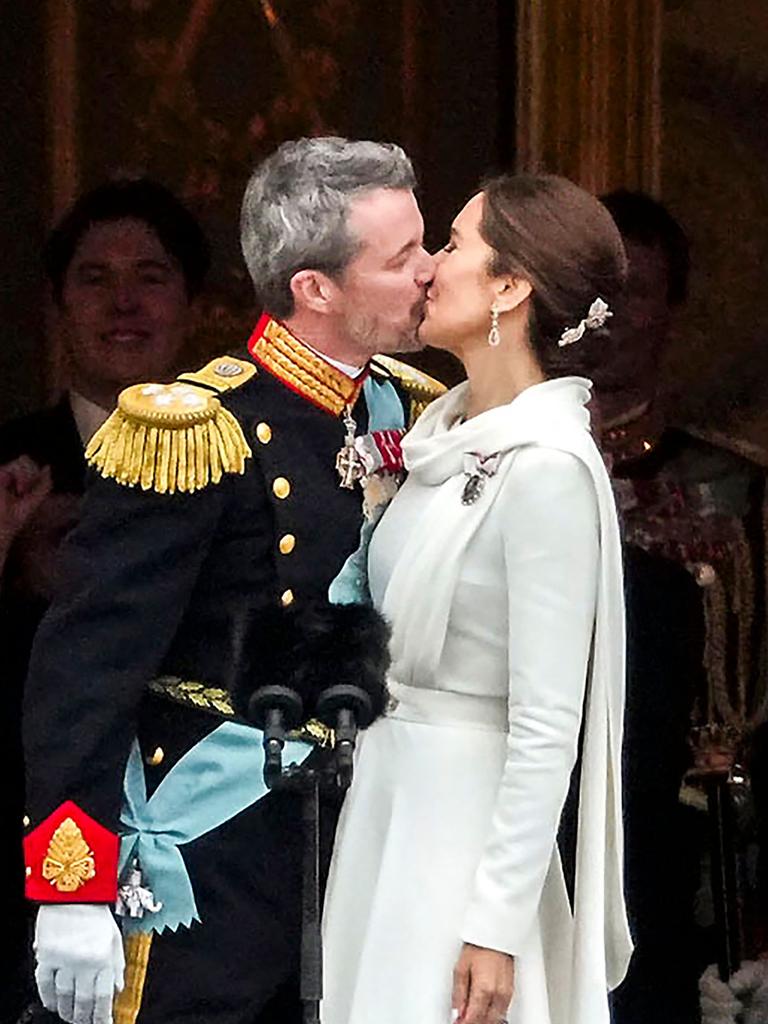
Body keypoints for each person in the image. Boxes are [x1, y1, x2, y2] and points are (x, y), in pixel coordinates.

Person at [21, 136, 442, 1024]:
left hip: (360, 851)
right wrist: (72, 884)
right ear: (315, 288)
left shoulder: (411, 409)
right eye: (403, 256)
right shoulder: (194, 431)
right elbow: (85, 670)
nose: (431, 271)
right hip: (214, 859)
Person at [321, 173, 633, 1024]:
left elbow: (544, 722)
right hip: (390, 808)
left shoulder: (548, 468)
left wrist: (495, 924)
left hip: (466, 842)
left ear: (509, 286)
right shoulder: (443, 440)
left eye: (453, 245)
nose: (428, 269)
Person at [0, 178, 210, 1024]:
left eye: (150, 276)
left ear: (193, 304)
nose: (123, 301)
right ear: (56, 305)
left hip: (188, 832)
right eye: (94, 278)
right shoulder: (12, 462)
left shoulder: (234, 456)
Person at [592, 190, 768, 1023]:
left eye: (633, 289)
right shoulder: (479, 462)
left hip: (673, 840)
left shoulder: (729, 487)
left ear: (671, 311)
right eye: (590, 283)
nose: (607, 312)